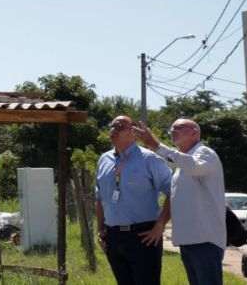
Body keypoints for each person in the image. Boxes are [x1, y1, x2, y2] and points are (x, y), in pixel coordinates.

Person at [134, 119, 226, 285]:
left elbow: (193, 166)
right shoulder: (180, 166)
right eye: (171, 128)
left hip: (205, 240)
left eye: (179, 127)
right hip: (188, 241)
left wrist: (156, 145)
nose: (173, 131)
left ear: (195, 132)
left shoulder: (205, 153)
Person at [95, 115, 173, 285]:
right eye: (112, 126)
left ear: (133, 131)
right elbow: (100, 198)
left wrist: (160, 226)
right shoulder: (104, 159)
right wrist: (100, 229)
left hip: (143, 235)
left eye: (119, 126)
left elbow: (173, 192)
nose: (113, 130)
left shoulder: (149, 159)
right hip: (113, 236)